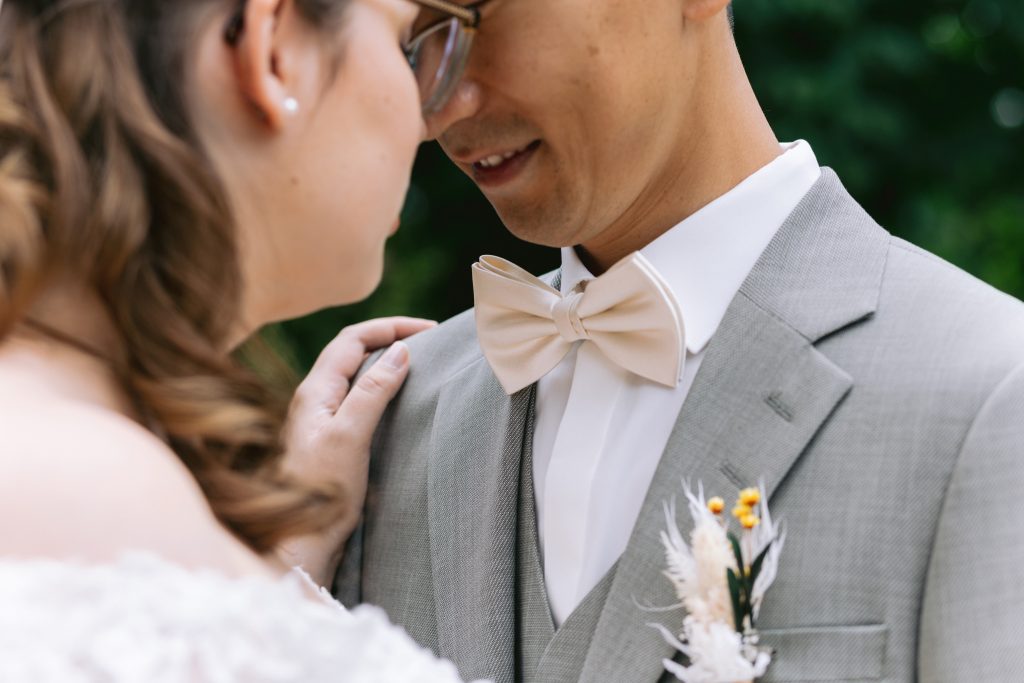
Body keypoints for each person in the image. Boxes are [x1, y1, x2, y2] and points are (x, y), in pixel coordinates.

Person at [339, 0, 1024, 681]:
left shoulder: (989, 394)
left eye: (478, 15)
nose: (443, 106)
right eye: (415, 40)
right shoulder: (378, 432)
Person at [0, 0, 484, 680]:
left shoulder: (95, 473)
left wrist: (279, 573)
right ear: (274, 48)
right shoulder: (88, 492)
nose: (441, 112)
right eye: (410, 46)